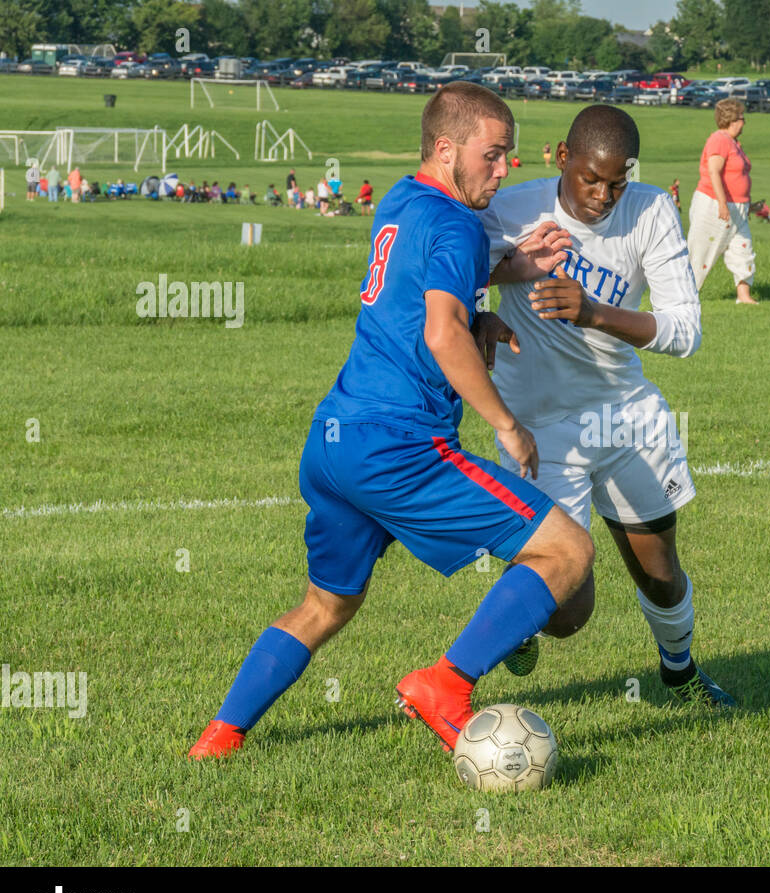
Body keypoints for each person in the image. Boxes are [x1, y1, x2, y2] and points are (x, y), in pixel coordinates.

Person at [188, 82, 594, 760]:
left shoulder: (402, 201)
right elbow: (440, 334)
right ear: (446, 148)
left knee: (326, 605)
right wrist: (506, 424)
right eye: (492, 157)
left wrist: (506, 276)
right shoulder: (460, 225)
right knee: (567, 553)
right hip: (401, 449)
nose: (503, 171)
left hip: (334, 443)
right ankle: (445, 685)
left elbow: (419, 293)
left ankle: (219, 738)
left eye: (508, 158)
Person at [475, 105, 733, 707]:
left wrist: (593, 311)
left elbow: (685, 331)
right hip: (538, 432)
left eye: (617, 181)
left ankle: (680, 674)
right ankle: (522, 620)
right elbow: (450, 278)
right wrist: (481, 312)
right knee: (568, 614)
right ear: (563, 157)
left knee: (661, 572)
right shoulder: (512, 208)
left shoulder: (650, 210)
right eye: (591, 178)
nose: (603, 195)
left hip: (626, 418)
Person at [686, 97, 758, 305]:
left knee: (743, 251)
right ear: (732, 119)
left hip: (738, 210)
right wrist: (722, 203)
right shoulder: (719, 140)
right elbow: (714, 171)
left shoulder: (734, 143)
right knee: (701, 252)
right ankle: (685, 297)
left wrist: (747, 205)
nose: (744, 122)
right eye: (742, 118)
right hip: (713, 206)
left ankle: (744, 296)